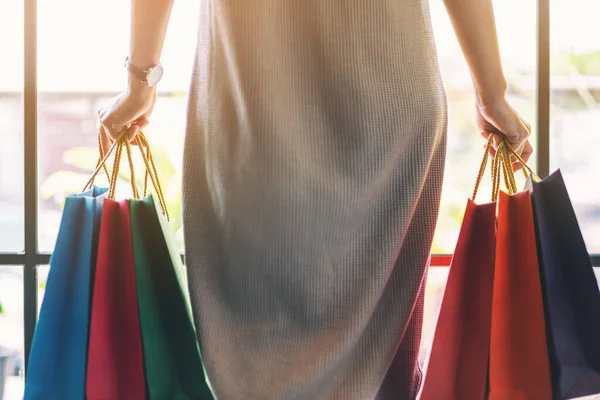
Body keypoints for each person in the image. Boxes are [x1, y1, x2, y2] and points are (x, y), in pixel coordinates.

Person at [97, 0, 533, 398]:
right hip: (386, 101)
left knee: (249, 353)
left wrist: (141, 81)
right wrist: (492, 93)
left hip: (252, 106)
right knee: (375, 366)